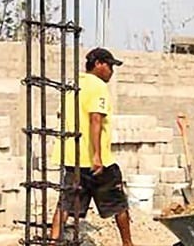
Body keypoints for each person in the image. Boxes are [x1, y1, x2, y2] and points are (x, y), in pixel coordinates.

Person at [50, 47, 134, 246]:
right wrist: (97, 155)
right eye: (110, 66)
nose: (111, 71)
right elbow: (95, 118)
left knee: (65, 205)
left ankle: (52, 242)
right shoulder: (98, 86)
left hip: (73, 158)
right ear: (98, 64)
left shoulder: (72, 86)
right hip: (97, 161)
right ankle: (128, 244)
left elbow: (62, 116)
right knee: (119, 204)